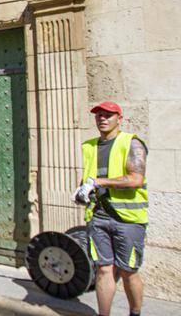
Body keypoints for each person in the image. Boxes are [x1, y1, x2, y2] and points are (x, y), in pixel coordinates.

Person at [73, 101, 148, 316]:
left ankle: (135, 312)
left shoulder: (131, 143)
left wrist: (100, 182)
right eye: (99, 115)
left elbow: (136, 179)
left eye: (108, 115)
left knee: (128, 271)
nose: (102, 119)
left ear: (119, 119)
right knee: (104, 270)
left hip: (128, 220)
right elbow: (88, 178)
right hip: (98, 217)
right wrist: (82, 192)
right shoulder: (89, 146)